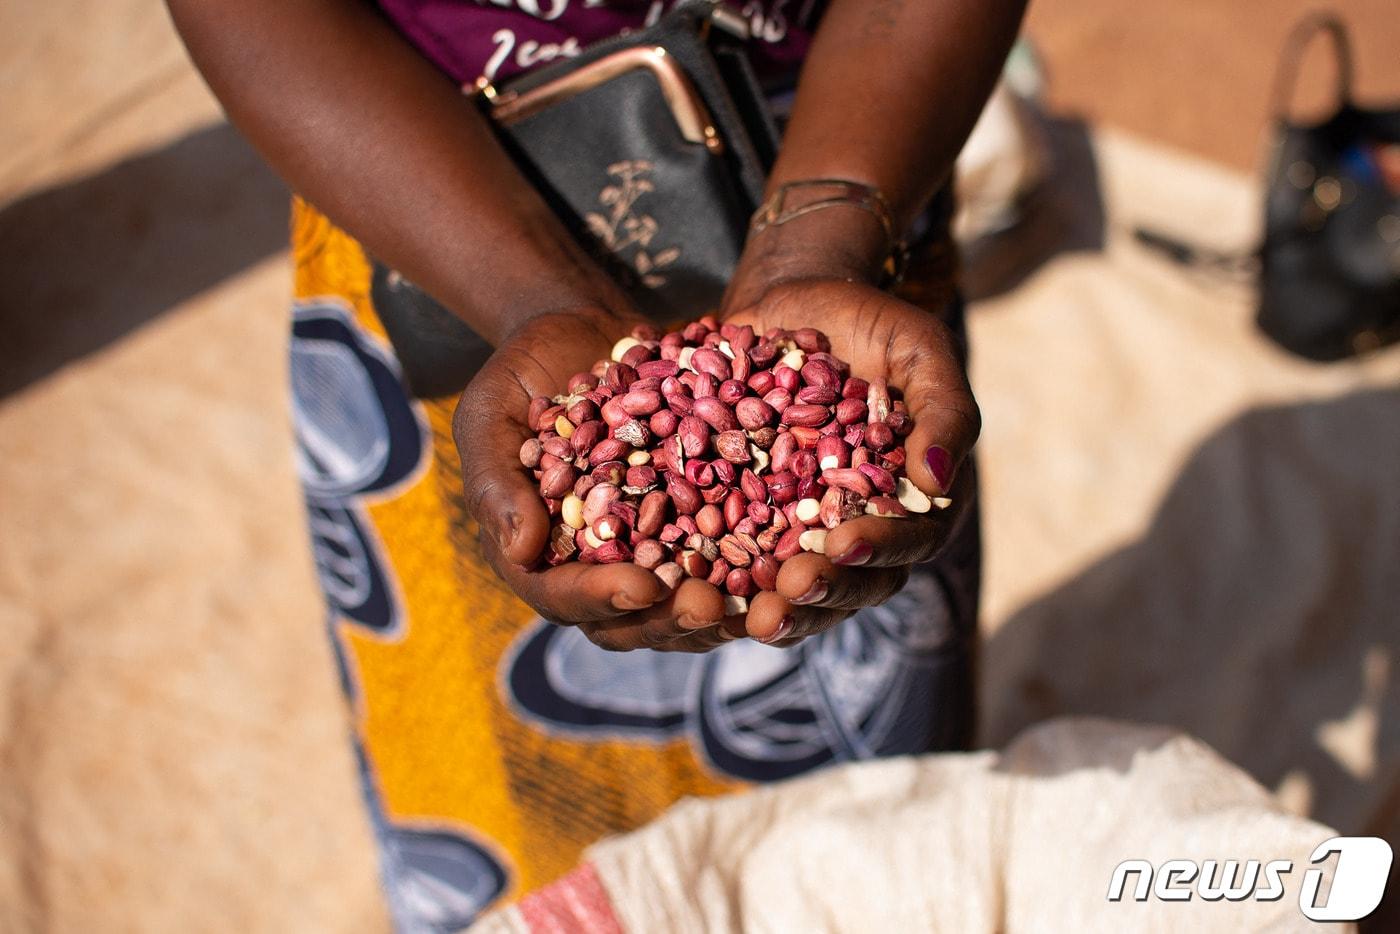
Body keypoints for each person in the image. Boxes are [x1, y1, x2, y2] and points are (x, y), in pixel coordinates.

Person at [167, 0, 1024, 927]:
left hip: (859, 149)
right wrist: (530, 296)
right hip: (420, 196)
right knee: (503, 782)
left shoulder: (831, 348)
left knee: (855, 807)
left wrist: (822, 232)